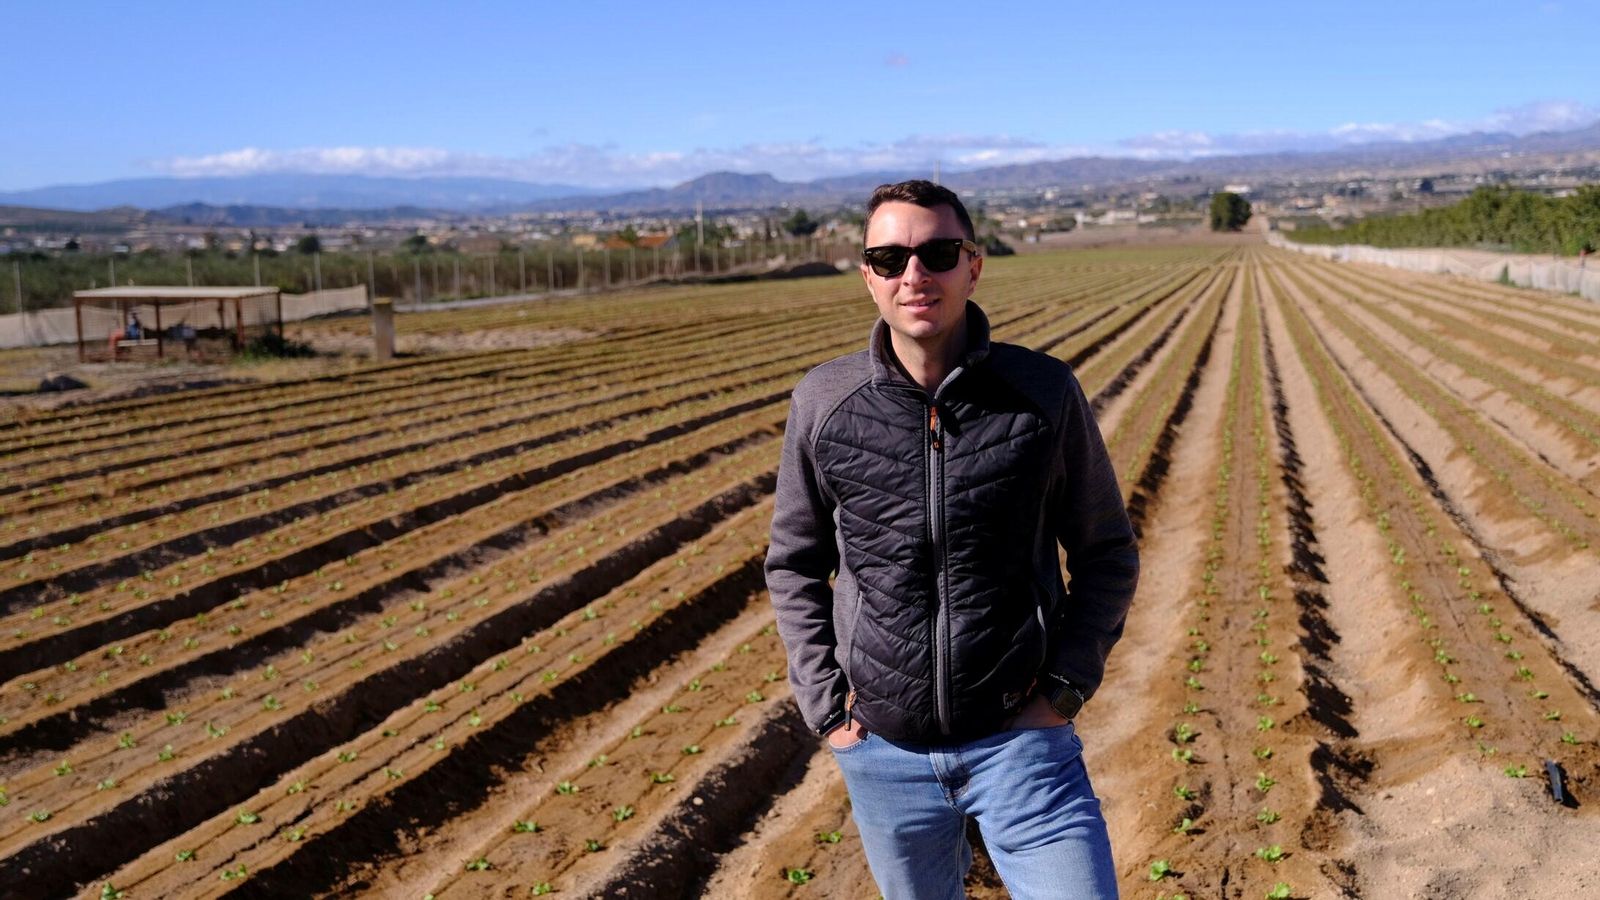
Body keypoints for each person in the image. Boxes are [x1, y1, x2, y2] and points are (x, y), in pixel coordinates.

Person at [766, 180, 1139, 899]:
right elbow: (793, 563)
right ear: (867, 274)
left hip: (1020, 743)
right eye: (889, 257)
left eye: (937, 253)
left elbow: (1105, 550)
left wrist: (1063, 687)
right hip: (884, 756)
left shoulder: (1042, 393)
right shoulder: (826, 402)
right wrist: (828, 705)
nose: (915, 275)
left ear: (973, 265)